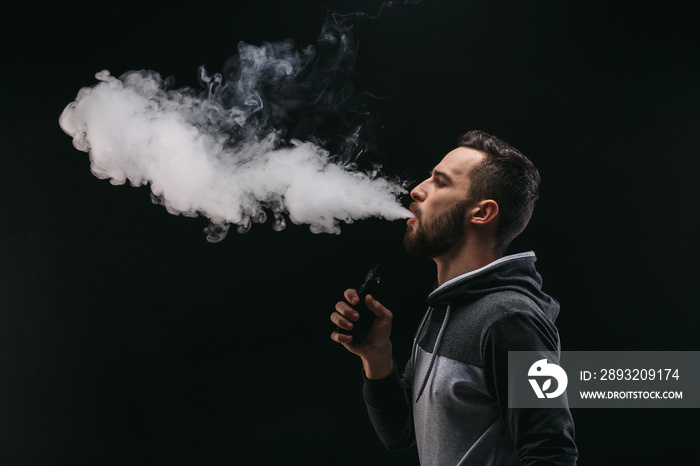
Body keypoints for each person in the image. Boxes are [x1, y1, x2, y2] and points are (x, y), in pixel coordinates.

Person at [330, 130, 578, 465]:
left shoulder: (509, 320)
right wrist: (377, 357)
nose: (417, 189)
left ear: (481, 213)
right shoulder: (446, 307)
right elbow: (401, 434)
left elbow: (552, 455)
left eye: (440, 182)